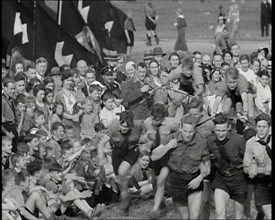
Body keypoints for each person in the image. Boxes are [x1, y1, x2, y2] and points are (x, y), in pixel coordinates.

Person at [151, 114, 211, 219]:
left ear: (195, 130)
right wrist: (168, 146)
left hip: (193, 179)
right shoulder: (172, 138)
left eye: (191, 132)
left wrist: (200, 178)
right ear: (180, 128)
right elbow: (154, 156)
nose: (187, 135)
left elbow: (207, 165)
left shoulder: (201, 142)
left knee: (194, 216)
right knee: (185, 216)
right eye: (185, 131)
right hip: (176, 181)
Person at [97, 111, 144, 215]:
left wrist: (145, 142)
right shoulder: (113, 126)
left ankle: (124, 199)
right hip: (117, 151)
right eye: (122, 126)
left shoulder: (138, 124)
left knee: (122, 171)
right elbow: (101, 143)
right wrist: (101, 163)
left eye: (127, 127)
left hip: (132, 149)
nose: (124, 129)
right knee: (120, 178)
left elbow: (148, 132)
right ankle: (126, 197)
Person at [140, 103, 179, 219]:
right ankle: (161, 204)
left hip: (166, 154)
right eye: (154, 118)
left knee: (161, 180)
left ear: (163, 116)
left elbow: (179, 135)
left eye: (158, 118)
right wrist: (146, 138)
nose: (155, 121)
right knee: (154, 181)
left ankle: (155, 209)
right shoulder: (147, 122)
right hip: (154, 155)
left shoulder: (171, 123)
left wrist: (171, 142)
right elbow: (144, 137)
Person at [208, 113, 247, 219]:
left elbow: (248, 159)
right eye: (217, 131)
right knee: (220, 213)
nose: (220, 134)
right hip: (221, 179)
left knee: (238, 216)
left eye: (223, 130)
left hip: (239, 179)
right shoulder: (210, 141)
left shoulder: (238, 140)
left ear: (229, 128)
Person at [243, 113, 271, 219]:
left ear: (269, 127)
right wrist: (251, 169)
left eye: (264, 127)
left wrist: (259, 169)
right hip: (262, 183)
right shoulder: (250, 143)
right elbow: (246, 168)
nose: (261, 130)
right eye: (259, 127)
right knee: (268, 214)